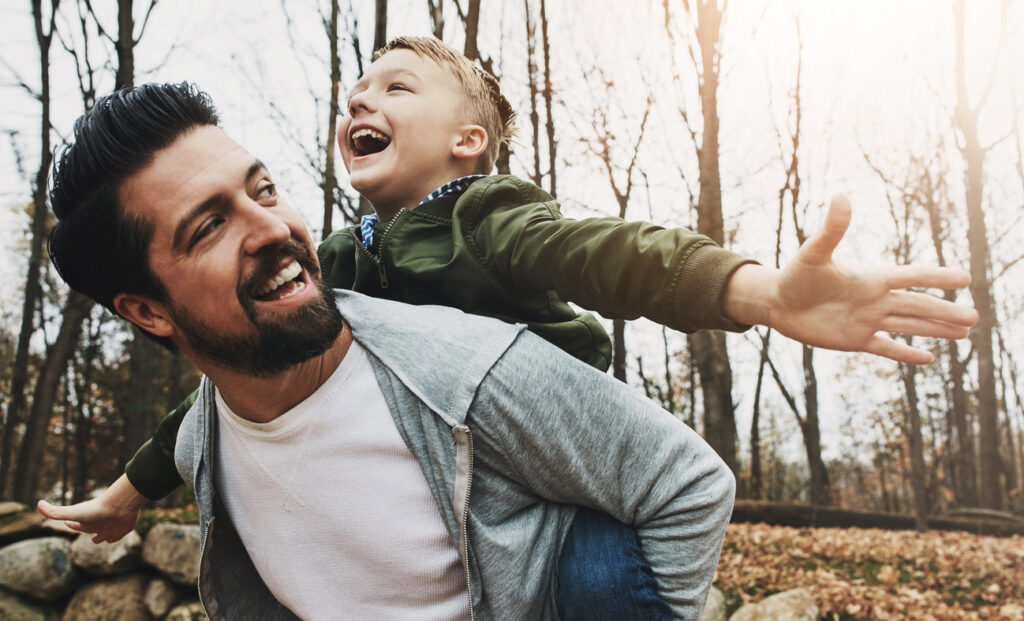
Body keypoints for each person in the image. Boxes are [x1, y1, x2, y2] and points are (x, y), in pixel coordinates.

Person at [42, 81, 736, 620]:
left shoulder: (465, 372)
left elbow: (689, 485)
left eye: (264, 190)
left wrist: (750, 291)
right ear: (146, 310)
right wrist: (123, 497)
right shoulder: (205, 443)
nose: (274, 228)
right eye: (210, 226)